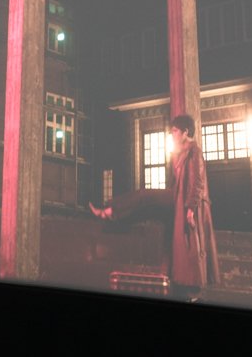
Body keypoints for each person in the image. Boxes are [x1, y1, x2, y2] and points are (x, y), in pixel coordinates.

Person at [89, 113, 218, 299]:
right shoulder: (182, 152)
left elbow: (198, 181)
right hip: (178, 198)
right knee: (146, 204)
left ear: (185, 132)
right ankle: (111, 213)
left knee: (144, 195)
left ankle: (109, 211)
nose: (172, 134)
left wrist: (190, 208)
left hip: (186, 202)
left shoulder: (194, 151)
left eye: (175, 131)